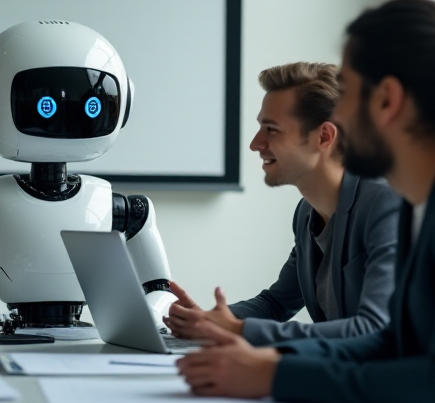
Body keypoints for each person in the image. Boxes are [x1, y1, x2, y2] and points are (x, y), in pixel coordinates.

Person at [176, 0, 435, 403]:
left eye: (348, 93)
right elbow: (393, 343)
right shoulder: (429, 200)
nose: (337, 117)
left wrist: (274, 376)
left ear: (387, 100)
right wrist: (270, 361)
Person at [164, 63, 400, 346]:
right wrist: (210, 320)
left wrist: (240, 330)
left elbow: (373, 329)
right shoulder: (306, 213)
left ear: (324, 137)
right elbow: (275, 304)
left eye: (271, 130)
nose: (255, 143)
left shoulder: (385, 204)